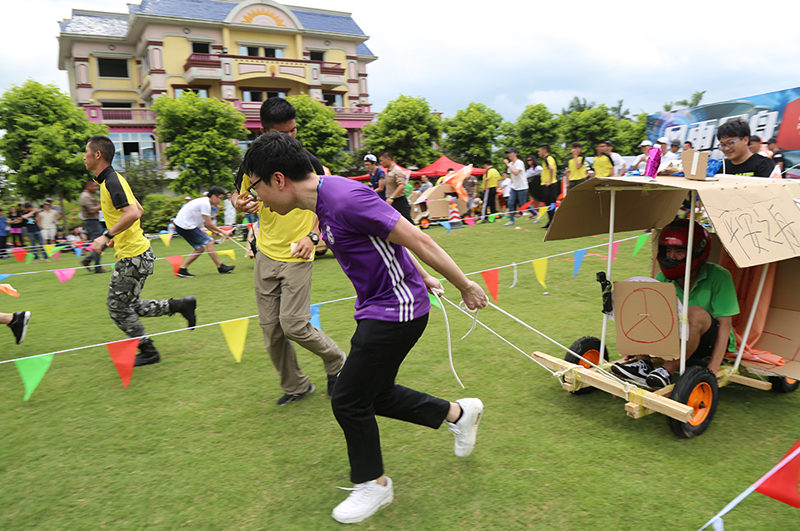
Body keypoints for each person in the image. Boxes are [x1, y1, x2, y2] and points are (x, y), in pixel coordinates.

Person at [241, 131, 489, 524]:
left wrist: (465, 285)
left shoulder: (344, 197)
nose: (258, 199)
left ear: (278, 179)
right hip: (382, 306)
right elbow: (386, 243)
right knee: (375, 394)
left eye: (255, 186)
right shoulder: (321, 203)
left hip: (396, 311)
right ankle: (459, 414)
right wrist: (420, 276)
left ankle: (373, 485)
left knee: (348, 397)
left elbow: (416, 237)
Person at [232, 96, 346, 406]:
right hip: (265, 253)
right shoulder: (251, 162)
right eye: (284, 133)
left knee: (294, 324)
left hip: (299, 251)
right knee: (271, 331)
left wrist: (312, 235)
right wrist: (239, 204)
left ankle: (337, 361)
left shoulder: (308, 162)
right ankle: (297, 386)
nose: (291, 138)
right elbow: (239, 194)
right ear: (264, 132)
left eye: (294, 131)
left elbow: (328, 201)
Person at [84, 135, 197, 366]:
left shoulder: (112, 181)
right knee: (130, 305)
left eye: (86, 152)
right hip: (137, 252)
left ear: (97, 155)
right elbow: (140, 209)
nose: (83, 156)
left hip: (133, 256)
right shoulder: (113, 181)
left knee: (117, 308)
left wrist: (107, 235)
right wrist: (120, 233)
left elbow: (133, 213)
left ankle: (148, 350)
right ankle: (179, 305)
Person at [611, 219, 739, 389]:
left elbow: (724, 325)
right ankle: (643, 365)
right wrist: (635, 349)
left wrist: (713, 367)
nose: (671, 256)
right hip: (676, 336)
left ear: (696, 251)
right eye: (668, 250)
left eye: (679, 251)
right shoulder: (663, 277)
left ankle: (666, 372)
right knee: (644, 303)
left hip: (707, 342)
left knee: (693, 313)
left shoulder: (719, 277)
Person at [173, 187, 236, 278]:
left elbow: (206, 225)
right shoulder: (205, 203)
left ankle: (182, 270)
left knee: (200, 249)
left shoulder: (206, 203)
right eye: (220, 198)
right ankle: (220, 267)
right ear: (214, 196)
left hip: (182, 226)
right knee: (209, 241)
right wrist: (224, 232)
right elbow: (208, 223)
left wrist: (220, 233)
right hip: (185, 226)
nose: (220, 201)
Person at [79, 180, 108, 273]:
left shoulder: (89, 195)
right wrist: (102, 203)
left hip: (94, 222)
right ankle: (97, 267)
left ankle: (88, 260)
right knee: (99, 243)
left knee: (102, 243)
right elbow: (92, 210)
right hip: (91, 222)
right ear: (88, 186)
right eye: (94, 186)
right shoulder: (85, 196)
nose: (96, 188)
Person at [378, 152, 413, 223]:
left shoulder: (397, 170)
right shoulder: (388, 171)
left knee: (408, 223)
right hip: (392, 202)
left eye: (382, 160)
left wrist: (391, 197)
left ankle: (418, 234)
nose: (381, 163)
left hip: (399, 201)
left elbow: (402, 185)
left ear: (388, 159)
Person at [503, 147, 527, 226]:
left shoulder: (519, 162)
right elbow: (512, 176)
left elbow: (516, 172)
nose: (509, 155)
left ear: (515, 153)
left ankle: (534, 213)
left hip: (522, 186)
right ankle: (511, 220)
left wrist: (507, 165)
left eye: (510, 153)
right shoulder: (510, 164)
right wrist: (511, 186)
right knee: (510, 203)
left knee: (523, 204)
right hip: (514, 187)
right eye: (508, 153)